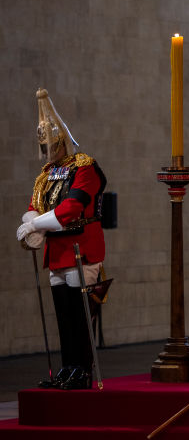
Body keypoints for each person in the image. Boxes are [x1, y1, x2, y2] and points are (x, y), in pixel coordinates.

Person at [16, 89, 107, 390]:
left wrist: (36, 225)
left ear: (62, 141)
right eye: (43, 146)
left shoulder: (84, 166)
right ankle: (68, 368)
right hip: (57, 251)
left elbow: (72, 208)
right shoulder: (46, 174)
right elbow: (35, 206)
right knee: (64, 317)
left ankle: (82, 370)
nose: (47, 151)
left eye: (51, 145)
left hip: (81, 247)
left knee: (80, 317)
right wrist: (31, 223)